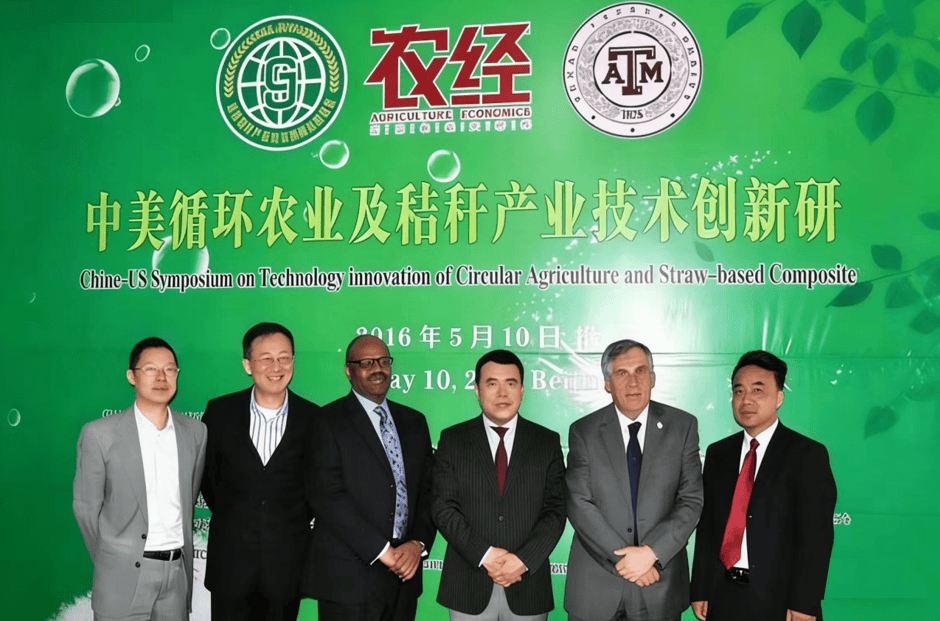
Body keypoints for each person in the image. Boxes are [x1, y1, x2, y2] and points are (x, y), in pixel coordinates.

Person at [690, 351, 837, 621]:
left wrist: (804, 602)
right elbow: (708, 527)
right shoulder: (718, 454)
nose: (746, 399)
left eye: (758, 390)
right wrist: (700, 588)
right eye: (739, 391)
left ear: (779, 397)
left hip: (782, 600)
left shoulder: (807, 455)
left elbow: (816, 537)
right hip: (724, 594)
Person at [565, 339, 703, 621]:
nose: (633, 382)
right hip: (596, 584)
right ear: (607, 383)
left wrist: (651, 553)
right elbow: (579, 503)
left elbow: (690, 500)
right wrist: (627, 560)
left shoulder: (683, 426)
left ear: (653, 378)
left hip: (659, 582)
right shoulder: (583, 431)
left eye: (641, 371)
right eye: (622, 373)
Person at [303, 334, 436, 621]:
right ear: (348, 371)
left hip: (404, 578)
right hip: (348, 580)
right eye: (366, 363)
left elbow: (428, 493)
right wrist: (382, 550)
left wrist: (417, 544)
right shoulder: (326, 421)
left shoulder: (414, 422)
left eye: (384, 361)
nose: (378, 369)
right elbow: (326, 497)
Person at [74, 337, 207, 621]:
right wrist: (113, 559)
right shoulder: (99, 434)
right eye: (150, 369)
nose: (161, 377)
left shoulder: (196, 433)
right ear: (131, 376)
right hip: (122, 579)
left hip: (175, 577)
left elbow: (189, 496)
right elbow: (86, 509)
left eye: (170, 369)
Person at [433, 349, 566, 621]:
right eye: (492, 383)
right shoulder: (453, 440)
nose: (502, 393)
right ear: (477, 390)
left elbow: (556, 510)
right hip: (468, 583)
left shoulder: (546, 442)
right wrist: (486, 555)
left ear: (522, 390)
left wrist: (523, 560)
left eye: (511, 383)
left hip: (528, 583)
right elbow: (443, 508)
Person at [200, 322, 318, 621]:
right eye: (266, 358)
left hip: (287, 568)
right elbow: (208, 480)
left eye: (284, 358)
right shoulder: (220, 412)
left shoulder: (314, 418)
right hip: (231, 565)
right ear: (247, 365)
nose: (276, 367)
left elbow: (316, 488)